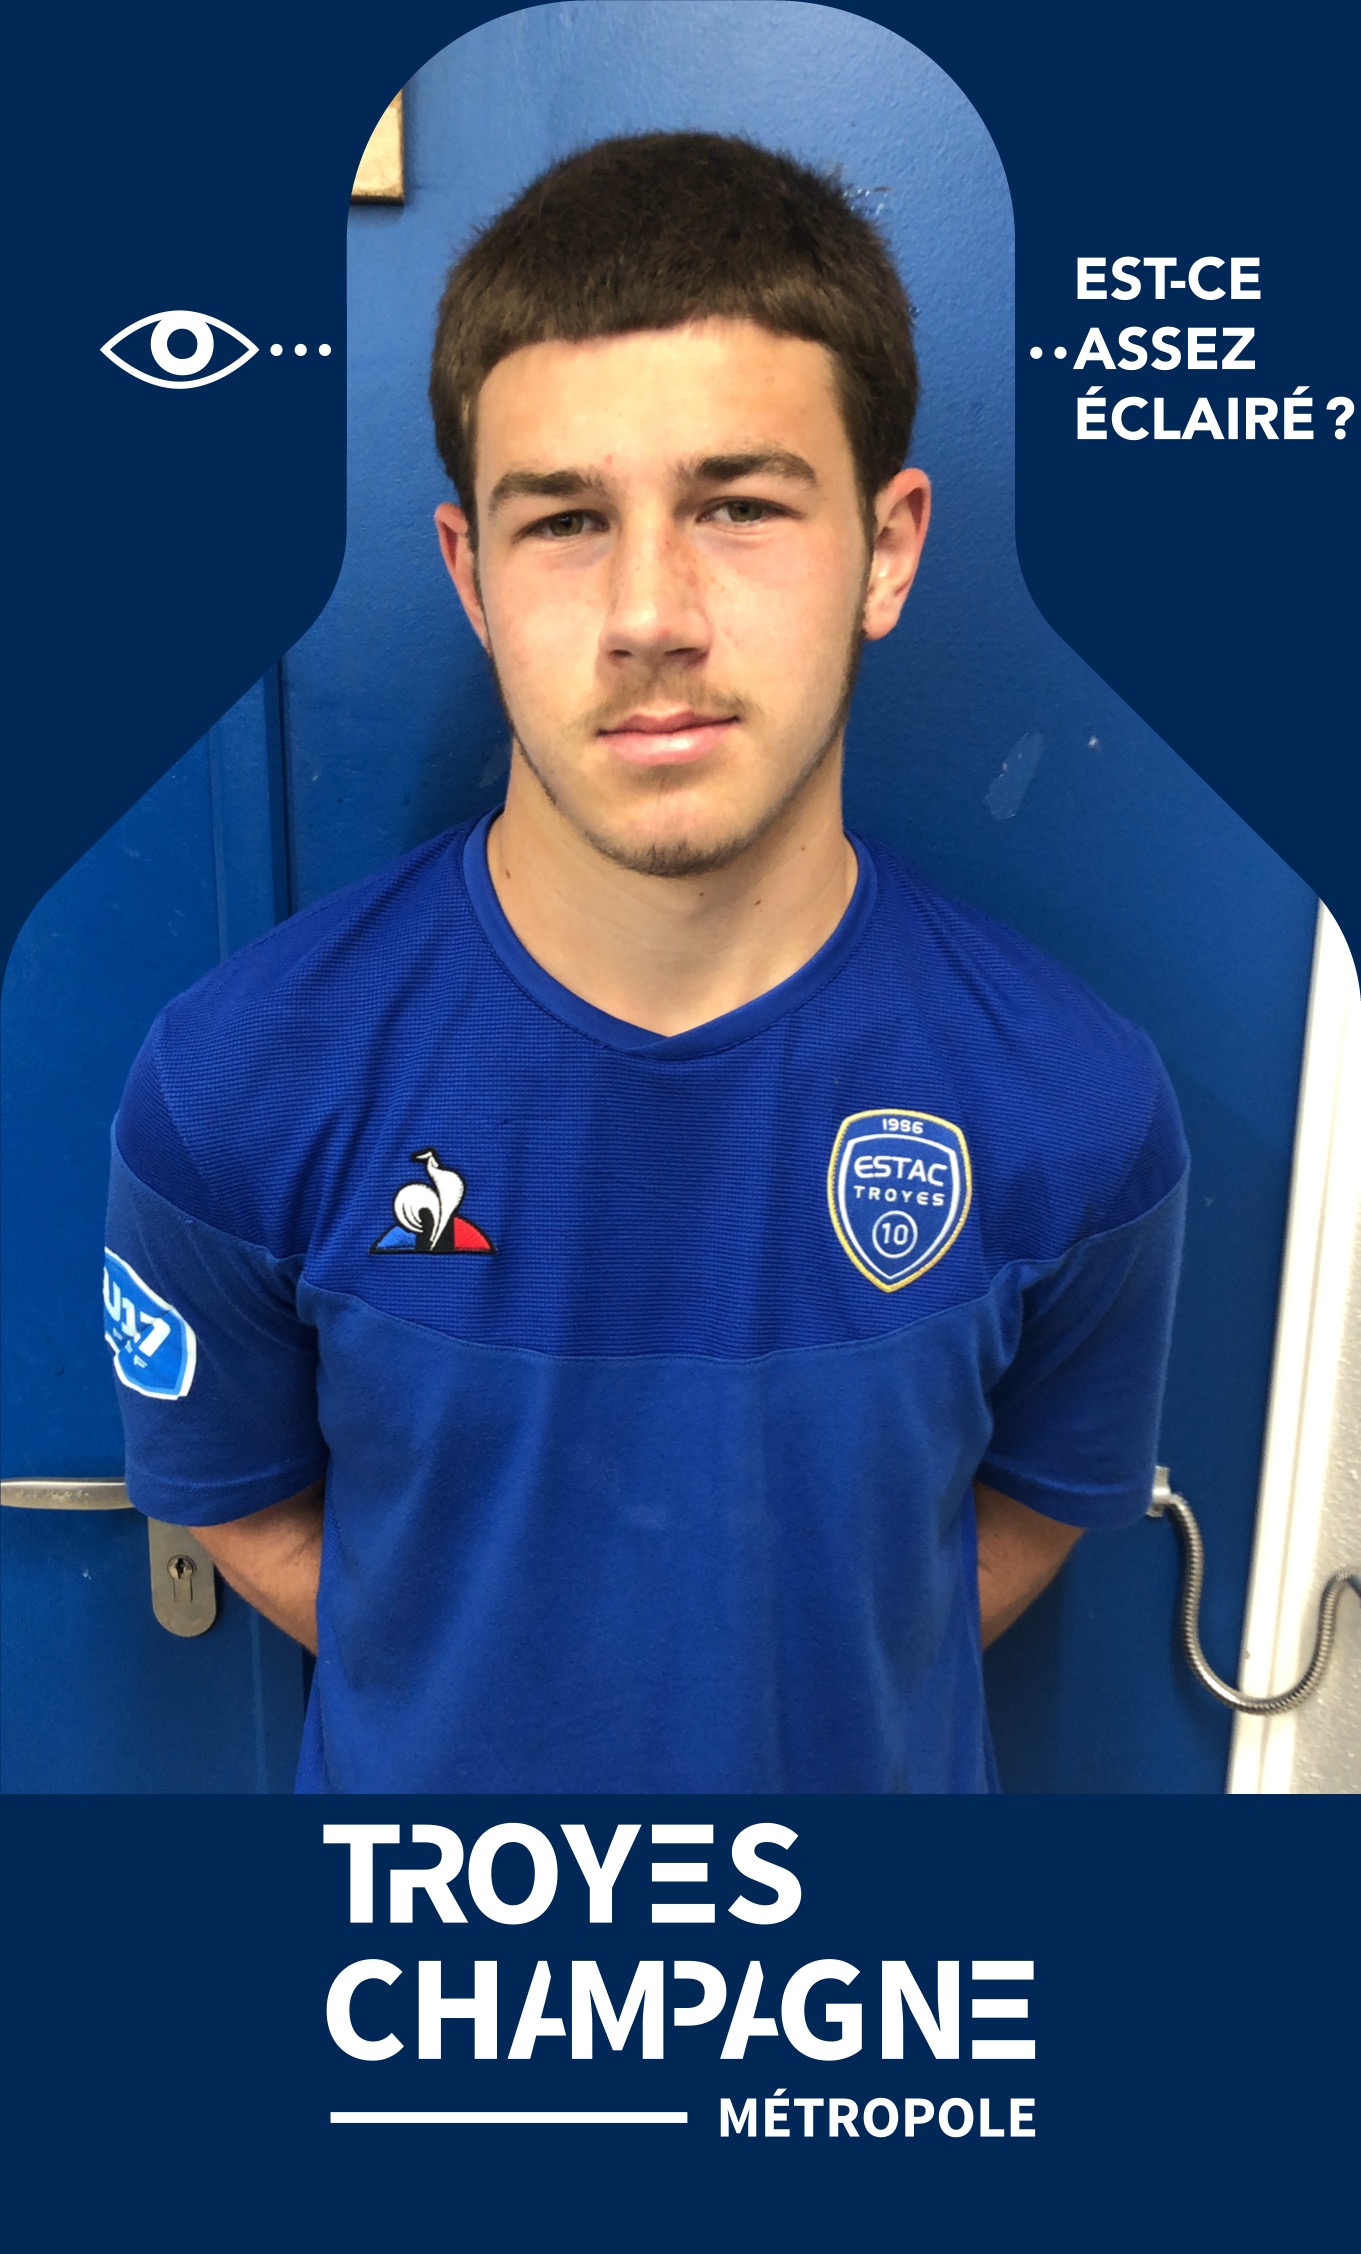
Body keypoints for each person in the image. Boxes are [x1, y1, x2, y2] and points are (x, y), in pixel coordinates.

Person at [104, 132, 1188, 1793]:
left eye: (738, 505)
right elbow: (238, 1497)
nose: (648, 615)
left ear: (887, 546)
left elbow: (1032, 1511)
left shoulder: (1076, 1107)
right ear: (470, 573)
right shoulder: (234, 1084)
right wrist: (493, 1691)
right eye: (562, 520)